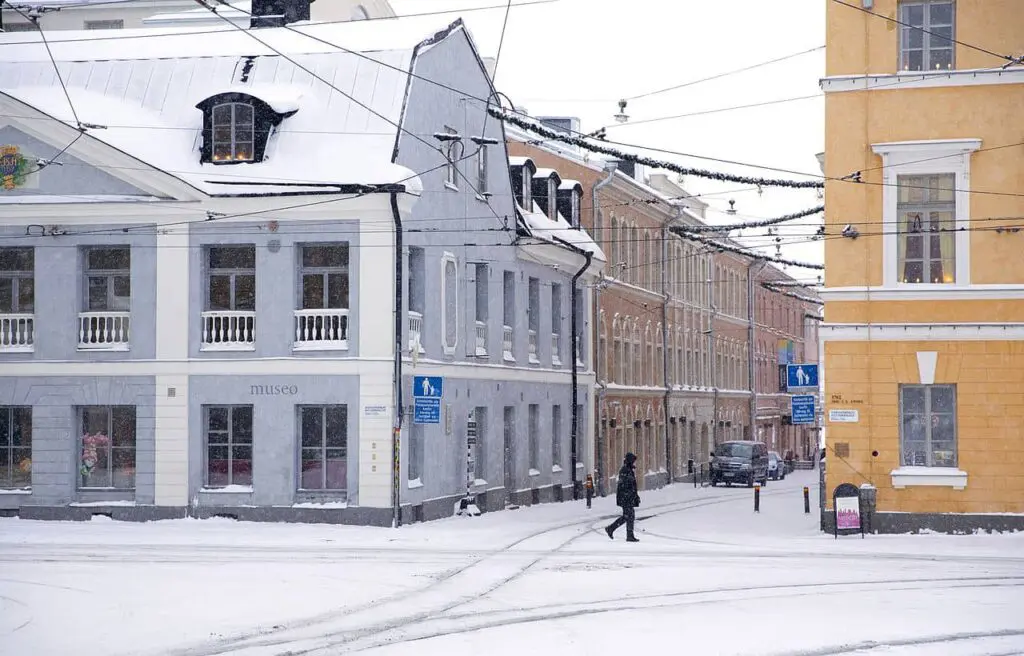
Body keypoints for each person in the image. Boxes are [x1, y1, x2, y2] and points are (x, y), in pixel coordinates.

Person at [605, 452, 640, 542]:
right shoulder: (625, 470)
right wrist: (630, 495)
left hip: (628, 497)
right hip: (626, 498)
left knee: (628, 516)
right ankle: (613, 529)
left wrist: (635, 496)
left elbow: (631, 485)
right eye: (633, 461)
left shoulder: (628, 470)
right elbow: (625, 486)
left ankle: (614, 530)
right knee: (628, 515)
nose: (634, 463)